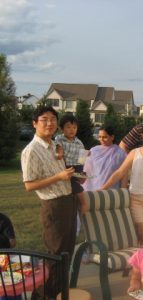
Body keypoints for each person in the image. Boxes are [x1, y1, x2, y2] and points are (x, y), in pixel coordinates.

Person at [21, 106, 76, 299]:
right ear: (35, 123)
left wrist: (72, 175)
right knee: (55, 255)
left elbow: (61, 174)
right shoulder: (32, 150)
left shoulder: (54, 145)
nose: (50, 123)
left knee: (67, 252)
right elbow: (29, 184)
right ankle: (43, 296)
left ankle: (60, 293)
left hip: (68, 201)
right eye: (44, 119)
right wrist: (59, 176)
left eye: (53, 119)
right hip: (53, 206)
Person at [55, 113, 87, 214]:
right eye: (68, 127)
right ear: (61, 128)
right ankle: (83, 203)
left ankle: (78, 204)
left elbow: (82, 157)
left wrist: (86, 154)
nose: (72, 129)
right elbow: (58, 148)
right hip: (66, 166)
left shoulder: (79, 142)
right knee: (74, 185)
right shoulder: (59, 139)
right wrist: (59, 153)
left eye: (74, 127)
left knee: (81, 180)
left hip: (78, 166)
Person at [82, 125, 127, 191]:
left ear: (112, 137)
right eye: (99, 137)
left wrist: (123, 193)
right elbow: (83, 167)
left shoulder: (121, 153)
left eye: (105, 137)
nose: (101, 139)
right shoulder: (93, 150)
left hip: (112, 192)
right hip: (94, 190)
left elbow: (124, 175)